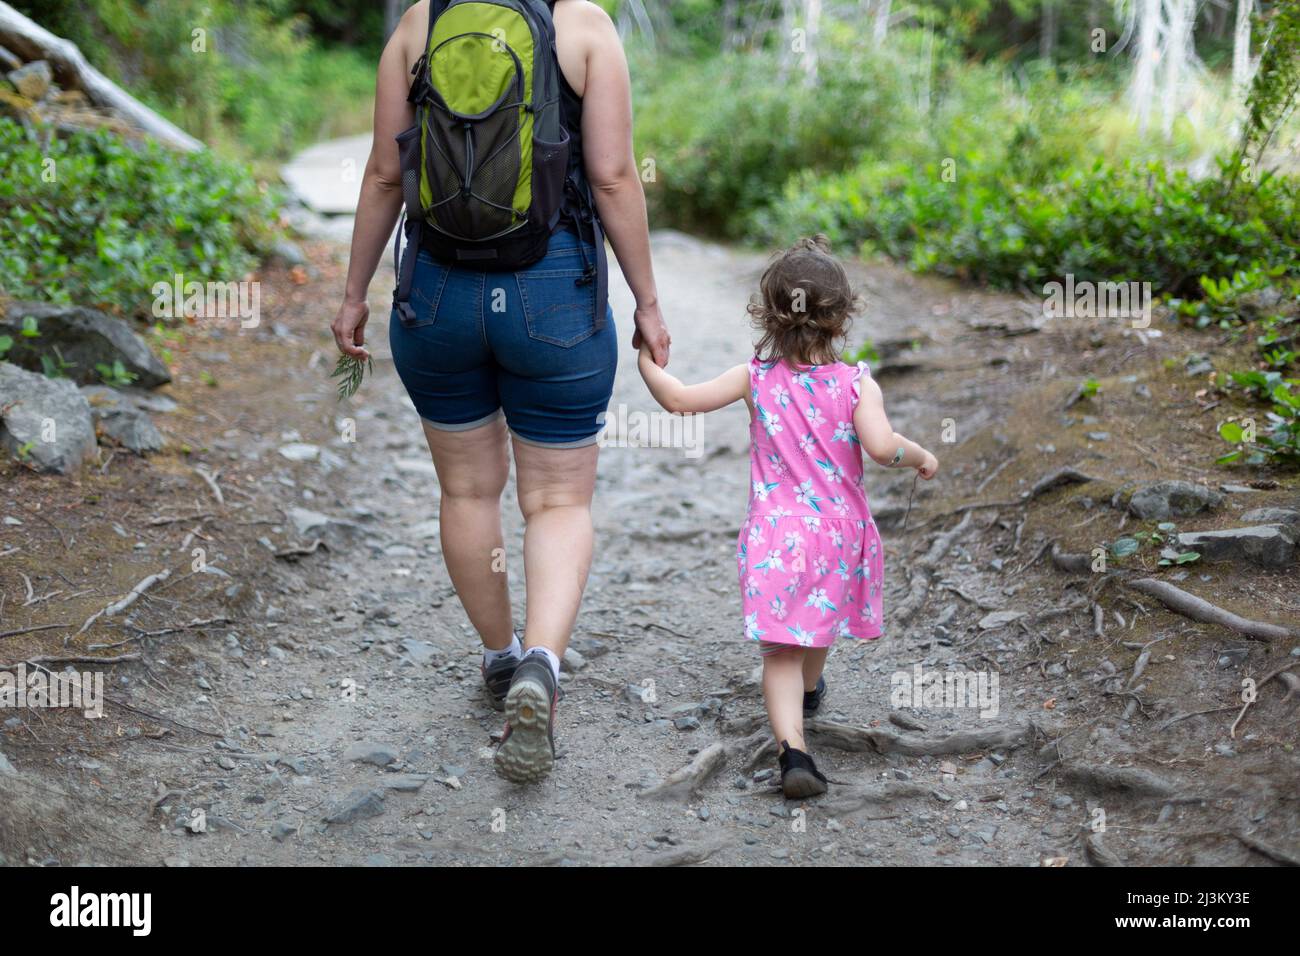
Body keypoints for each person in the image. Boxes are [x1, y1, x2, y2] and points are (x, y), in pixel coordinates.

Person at [329, 0, 670, 784]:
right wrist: (648, 302)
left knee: (467, 490)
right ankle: (541, 667)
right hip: (551, 294)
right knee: (557, 501)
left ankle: (497, 657)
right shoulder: (583, 27)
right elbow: (613, 177)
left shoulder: (419, 24)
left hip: (439, 295)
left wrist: (353, 293)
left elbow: (386, 173)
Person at [637, 235, 938, 799]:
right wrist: (921, 456)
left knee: (779, 649)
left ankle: (794, 753)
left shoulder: (755, 378)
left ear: (767, 313)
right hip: (839, 535)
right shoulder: (855, 383)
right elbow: (881, 446)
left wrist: (643, 359)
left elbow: (680, 400)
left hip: (778, 534)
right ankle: (809, 687)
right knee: (816, 625)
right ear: (842, 315)